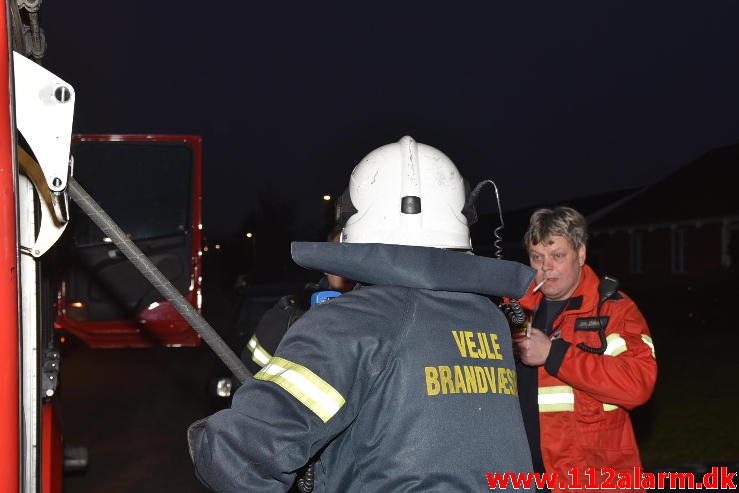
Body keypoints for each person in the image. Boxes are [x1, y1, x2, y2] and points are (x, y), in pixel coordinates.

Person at [189, 136, 536, 492]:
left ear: (353, 221)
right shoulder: (489, 319)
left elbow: (237, 458)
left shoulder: (350, 321)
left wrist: (210, 441)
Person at [513, 206, 657, 491]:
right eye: (537, 257)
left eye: (558, 256)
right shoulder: (514, 310)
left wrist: (554, 354)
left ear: (580, 254)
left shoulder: (614, 310)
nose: (546, 267)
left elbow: (638, 383)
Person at [242, 225, 356, 376]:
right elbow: (248, 377)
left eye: (353, 258)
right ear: (325, 266)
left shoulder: (386, 310)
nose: (346, 267)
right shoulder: (288, 316)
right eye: (337, 258)